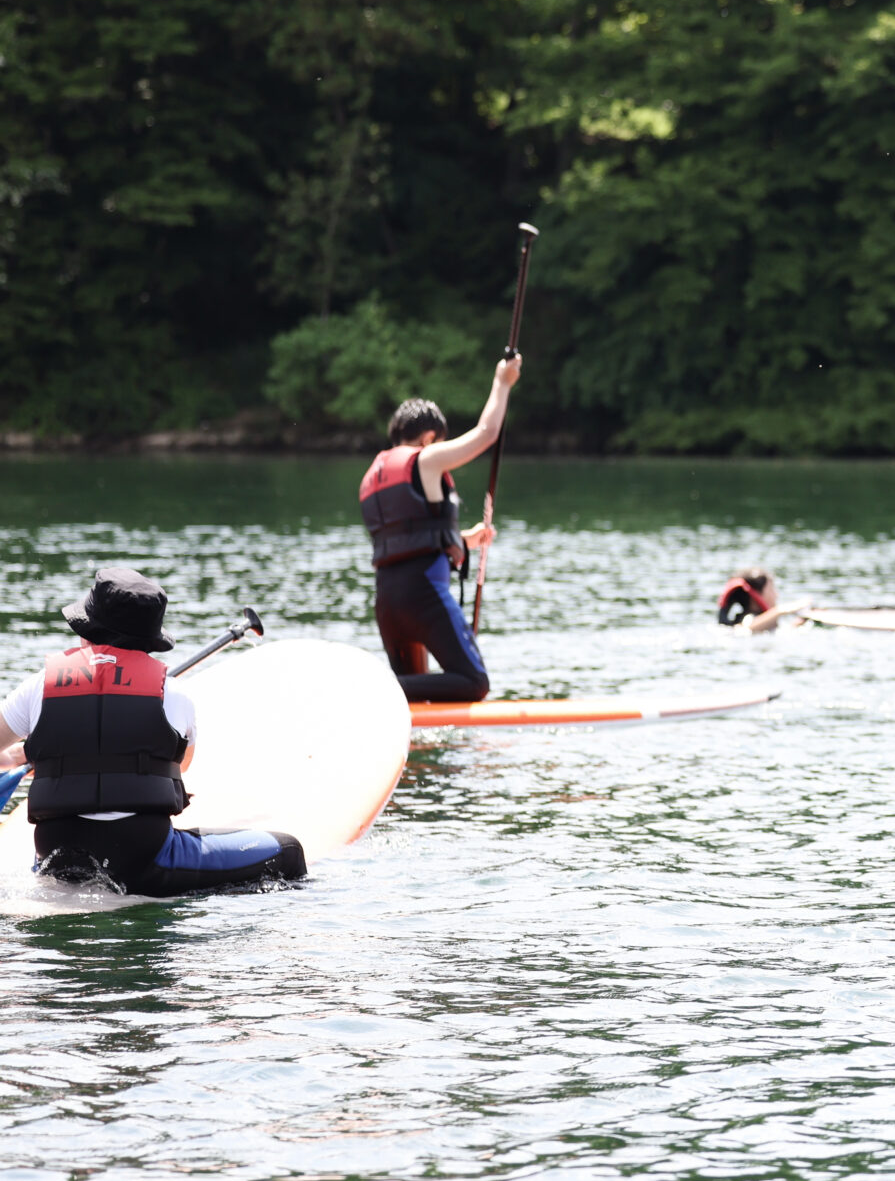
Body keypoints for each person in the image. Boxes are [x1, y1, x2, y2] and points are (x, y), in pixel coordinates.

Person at [0, 568, 306, 895]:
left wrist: (34, 755)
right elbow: (178, 766)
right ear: (149, 641)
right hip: (144, 862)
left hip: (58, 858)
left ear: (87, 632)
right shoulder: (173, 694)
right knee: (288, 851)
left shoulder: (37, 688)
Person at [359, 359, 521, 704]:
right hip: (424, 597)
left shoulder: (372, 475)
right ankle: (375, 690)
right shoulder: (426, 459)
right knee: (473, 682)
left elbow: (406, 540)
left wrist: (462, 540)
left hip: (387, 602)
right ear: (431, 437)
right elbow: (486, 434)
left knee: (411, 701)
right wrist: (502, 382)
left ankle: (387, 694)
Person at [716, 568, 810, 633]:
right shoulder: (748, 617)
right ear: (756, 595)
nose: (776, 595)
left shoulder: (761, 619)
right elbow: (744, 629)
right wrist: (780, 611)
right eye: (771, 589)